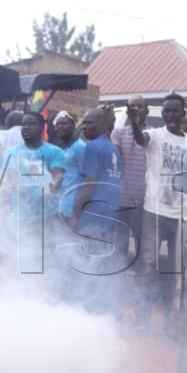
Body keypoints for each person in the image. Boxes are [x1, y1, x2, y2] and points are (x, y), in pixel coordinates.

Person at [134, 91, 187, 335]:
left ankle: (168, 324)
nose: (171, 115)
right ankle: (141, 321)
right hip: (153, 211)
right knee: (147, 266)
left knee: (172, 271)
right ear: (162, 114)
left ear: (183, 114)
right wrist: (135, 121)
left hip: (181, 216)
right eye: (166, 111)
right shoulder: (154, 136)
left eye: (175, 111)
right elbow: (140, 139)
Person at [66, 108, 123, 308]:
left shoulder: (92, 147)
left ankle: (83, 306)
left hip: (92, 214)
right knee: (99, 261)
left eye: (89, 123)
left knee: (84, 262)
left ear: (101, 125)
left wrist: (75, 213)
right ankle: (99, 305)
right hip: (108, 214)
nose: (84, 126)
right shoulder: (113, 148)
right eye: (84, 122)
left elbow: (89, 184)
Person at [5, 111, 65, 271]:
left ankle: (47, 291)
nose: (26, 127)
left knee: (46, 259)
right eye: (24, 124)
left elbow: (58, 173)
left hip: (47, 216)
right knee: (22, 257)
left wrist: (53, 185)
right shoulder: (12, 152)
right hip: (21, 216)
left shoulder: (54, 151)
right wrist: (12, 185)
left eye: (32, 124)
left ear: (42, 127)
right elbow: (11, 175)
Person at [111, 95, 149, 277]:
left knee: (141, 243)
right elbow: (116, 155)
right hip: (121, 198)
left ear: (147, 111)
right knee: (120, 242)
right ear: (127, 111)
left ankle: (139, 282)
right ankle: (119, 279)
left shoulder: (154, 135)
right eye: (132, 107)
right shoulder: (118, 133)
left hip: (144, 201)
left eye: (139, 106)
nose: (136, 109)